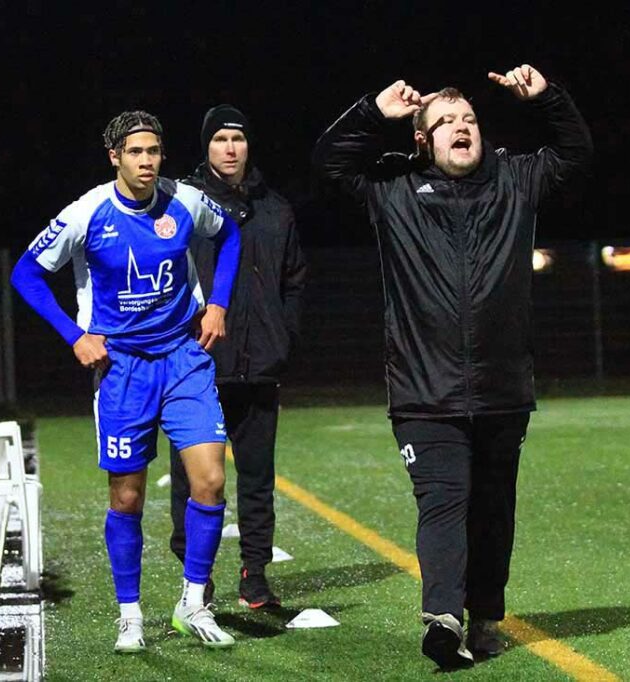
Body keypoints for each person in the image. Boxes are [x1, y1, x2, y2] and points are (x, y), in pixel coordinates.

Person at [314, 64, 593, 668]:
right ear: (422, 139)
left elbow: (575, 151)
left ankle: (486, 613)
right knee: (444, 500)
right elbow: (329, 163)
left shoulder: (516, 179)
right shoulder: (391, 191)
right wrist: (372, 111)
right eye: (445, 121)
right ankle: (442, 617)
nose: (461, 127)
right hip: (424, 393)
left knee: (493, 509)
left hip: (503, 390)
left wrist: (547, 97)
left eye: (469, 119)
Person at [11, 111, 241, 652]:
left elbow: (228, 233)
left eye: (154, 151)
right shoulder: (86, 213)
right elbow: (27, 272)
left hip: (185, 355)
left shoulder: (183, 200)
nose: (146, 162)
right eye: (136, 153)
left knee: (209, 482)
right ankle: (130, 614)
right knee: (128, 496)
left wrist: (219, 305)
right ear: (114, 157)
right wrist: (74, 335)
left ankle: (193, 603)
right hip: (122, 369)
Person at [169, 105, 306, 609]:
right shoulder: (180, 203)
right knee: (191, 478)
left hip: (261, 363)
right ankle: (195, 578)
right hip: (196, 365)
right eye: (220, 139)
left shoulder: (276, 208)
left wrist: (284, 338)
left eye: (238, 139)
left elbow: (294, 281)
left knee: (256, 476)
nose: (230, 148)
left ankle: (255, 573)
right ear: (205, 147)